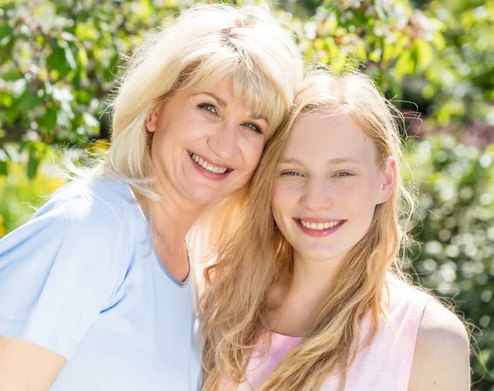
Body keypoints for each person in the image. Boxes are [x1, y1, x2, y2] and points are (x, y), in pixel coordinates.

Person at [0, 3, 303, 391]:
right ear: (155, 110)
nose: (224, 144)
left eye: (252, 126)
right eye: (209, 107)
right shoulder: (90, 229)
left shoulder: (197, 266)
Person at [200, 69, 471, 391]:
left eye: (342, 173)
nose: (315, 200)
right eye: (292, 172)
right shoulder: (218, 302)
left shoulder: (428, 339)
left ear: (386, 180)